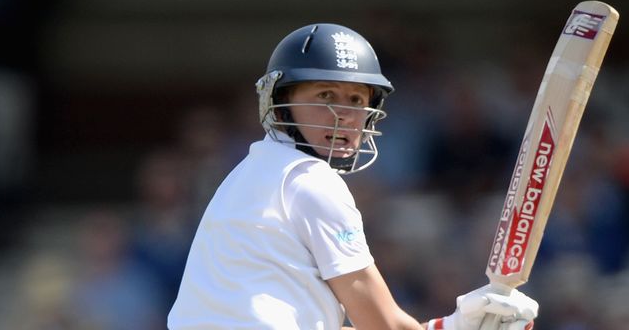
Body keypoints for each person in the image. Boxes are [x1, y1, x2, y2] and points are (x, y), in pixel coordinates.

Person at [168, 23, 539, 330]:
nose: (343, 114)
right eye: (326, 94)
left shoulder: (248, 173)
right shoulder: (311, 181)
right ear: (281, 106)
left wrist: (449, 327)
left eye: (357, 100)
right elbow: (383, 326)